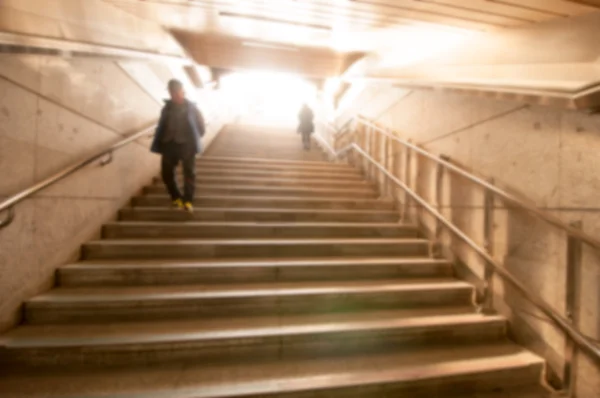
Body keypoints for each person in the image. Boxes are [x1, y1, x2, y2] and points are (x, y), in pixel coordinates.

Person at [151, 79, 205, 213]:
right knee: (166, 173)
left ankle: (188, 200)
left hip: (187, 145)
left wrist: (193, 140)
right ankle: (176, 197)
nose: (174, 95)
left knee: (189, 173)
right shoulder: (167, 108)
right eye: (171, 92)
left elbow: (201, 127)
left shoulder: (192, 108)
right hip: (169, 144)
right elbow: (162, 125)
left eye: (176, 92)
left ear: (182, 91)